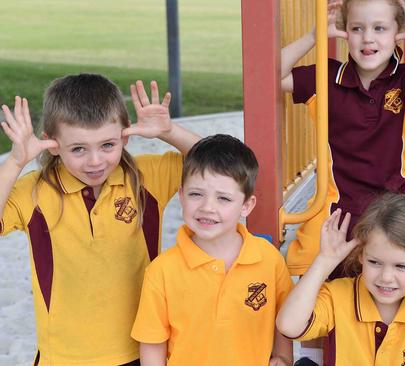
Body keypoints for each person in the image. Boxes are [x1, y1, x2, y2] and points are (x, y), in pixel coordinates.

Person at [0, 74, 199, 365]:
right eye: (79, 148)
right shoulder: (34, 192)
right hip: (64, 357)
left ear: (125, 136)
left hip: (141, 349)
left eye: (107, 145)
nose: (95, 161)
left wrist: (169, 131)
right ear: (52, 144)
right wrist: (15, 162)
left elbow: (221, 166)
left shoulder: (146, 178)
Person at [281, 0, 405, 278]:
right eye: (357, 28)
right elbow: (272, 75)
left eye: (380, 28)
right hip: (338, 206)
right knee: (324, 273)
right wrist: (314, 36)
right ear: (345, 31)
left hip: (393, 204)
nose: (368, 38)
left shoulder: (404, 78)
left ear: (399, 31)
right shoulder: (328, 75)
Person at [130, 135, 293, 366]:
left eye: (224, 198)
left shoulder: (269, 259)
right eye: (196, 194)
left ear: (246, 206)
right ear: (181, 195)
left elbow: (282, 320)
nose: (207, 208)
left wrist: (285, 358)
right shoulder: (161, 271)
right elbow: (152, 343)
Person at [276, 193, 405, 365]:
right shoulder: (338, 295)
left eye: (401, 266)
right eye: (375, 262)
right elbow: (289, 325)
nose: (386, 277)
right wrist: (323, 263)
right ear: (361, 255)